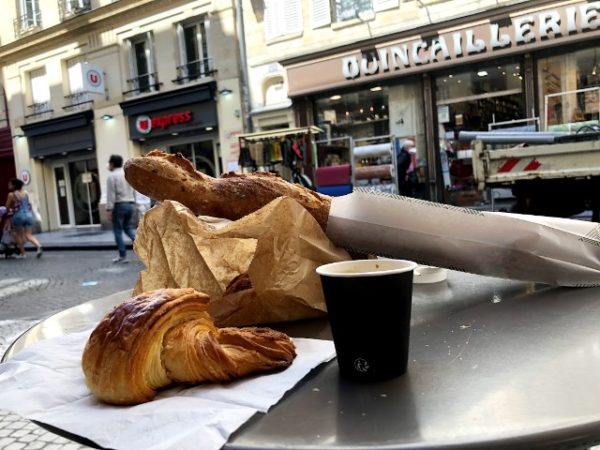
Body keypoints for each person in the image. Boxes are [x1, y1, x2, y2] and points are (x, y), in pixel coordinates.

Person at [106, 154, 136, 263]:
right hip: (130, 204)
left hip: (119, 205)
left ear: (112, 164)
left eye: (109, 163)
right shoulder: (126, 174)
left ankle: (122, 255)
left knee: (117, 230)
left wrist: (109, 209)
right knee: (128, 228)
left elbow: (111, 194)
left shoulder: (112, 176)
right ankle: (144, 246)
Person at [5, 178, 42, 259]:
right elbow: (30, 205)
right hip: (28, 215)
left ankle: (23, 254)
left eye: (10, 184)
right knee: (28, 234)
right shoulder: (26, 193)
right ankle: (38, 246)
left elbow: (7, 207)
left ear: (14, 185)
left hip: (18, 216)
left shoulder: (11, 195)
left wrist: (11, 209)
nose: (9, 185)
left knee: (18, 235)